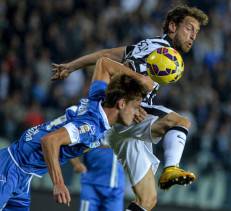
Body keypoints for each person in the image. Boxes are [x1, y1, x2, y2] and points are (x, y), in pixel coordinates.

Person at [52, 5, 209, 210]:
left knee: (148, 201)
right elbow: (127, 70)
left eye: (196, 32)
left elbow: (107, 54)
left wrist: (71, 66)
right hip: (126, 115)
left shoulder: (146, 45)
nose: (193, 36)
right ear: (172, 26)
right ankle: (171, 168)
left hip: (126, 128)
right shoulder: (161, 49)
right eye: (189, 28)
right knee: (180, 122)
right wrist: (131, 100)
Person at [0, 57, 153, 210]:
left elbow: (103, 63)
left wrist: (137, 81)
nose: (138, 112)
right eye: (136, 107)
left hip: (23, 173)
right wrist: (59, 183)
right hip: (10, 167)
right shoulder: (91, 126)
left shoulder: (98, 97)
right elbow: (49, 141)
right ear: (121, 104)